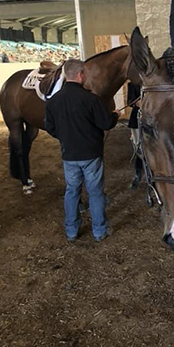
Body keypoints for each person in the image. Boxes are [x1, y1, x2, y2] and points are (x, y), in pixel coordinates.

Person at [45, 59, 119, 242]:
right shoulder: (91, 99)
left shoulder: (53, 101)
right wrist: (115, 115)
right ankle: (99, 231)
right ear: (80, 75)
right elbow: (105, 123)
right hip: (91, 155)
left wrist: (65, 138)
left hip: (68, 155)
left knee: (72, 191)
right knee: (95, 192)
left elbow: (50, 128)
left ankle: (71, 231)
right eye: (84, 74)